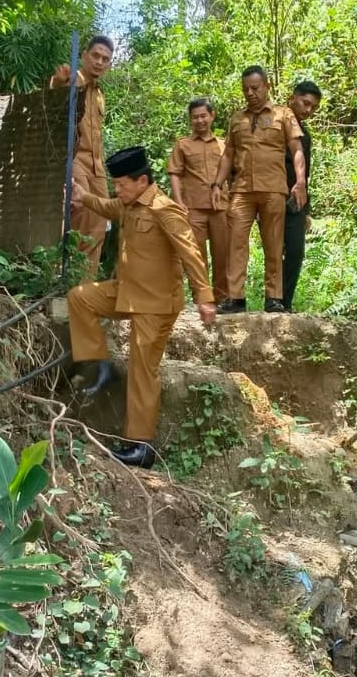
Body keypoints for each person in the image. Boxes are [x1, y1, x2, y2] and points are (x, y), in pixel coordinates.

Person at [68, 145, 217, 468]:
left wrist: (204, 297)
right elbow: (108, 207)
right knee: (80, 297)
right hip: (127, 293)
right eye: (116, 184)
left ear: (143, 180)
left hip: (156, 305)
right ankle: (100, 366)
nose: (117, 190)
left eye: (121, 184)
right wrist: (84, 197)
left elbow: (190, 252)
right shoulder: (129, 203)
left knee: (142, 369)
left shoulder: (164, 209)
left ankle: (141, 446)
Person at [212, 66, 305, 313]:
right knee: (236, 243)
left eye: (254, 88)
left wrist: (300, 181)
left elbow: (297, 149)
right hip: (241, 190)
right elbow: (228, 154)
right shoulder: (236, 118)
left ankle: (273, 297)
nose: (250, 93)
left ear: (267, 86)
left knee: (274, 243)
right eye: (245, 89)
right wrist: (216, 183)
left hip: (273, 189)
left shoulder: (283, 115)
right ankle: (236, 298)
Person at [48, 35, 115, 274]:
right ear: (84, 55)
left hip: (97, 166)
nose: (99, 61)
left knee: (101, 221)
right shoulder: (74, 80)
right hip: (75, 158)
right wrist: (57, 82)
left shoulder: (99, 94)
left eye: (105, 59)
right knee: (82, 215)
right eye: (95, 55)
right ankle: (67, 279)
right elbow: (54, 98)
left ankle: (86, 287)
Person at [166, 98, 228, 301]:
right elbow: (174, 172)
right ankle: (201, 298)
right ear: (190, 120)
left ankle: (222, 298)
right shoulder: (183, 144)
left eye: (203, 116)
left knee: (223, 255)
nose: (199, 121)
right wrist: (178, 201)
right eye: (195, 117)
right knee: (196, 256)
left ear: (212, 116)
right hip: (193, 207)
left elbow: (234, 173)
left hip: (220, 207)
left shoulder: (224, 145)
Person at [282, 80, 322, 310]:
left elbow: (305, 175)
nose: (308, 110)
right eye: (305, 103)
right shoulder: (274, 125)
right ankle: (273, 301)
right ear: (293, 98)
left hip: (295, 202)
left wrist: (306, 210)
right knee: (275, 252)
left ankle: (285, 302)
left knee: (296, 251)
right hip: (271, 196)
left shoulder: (305, 135)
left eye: (313, 107)